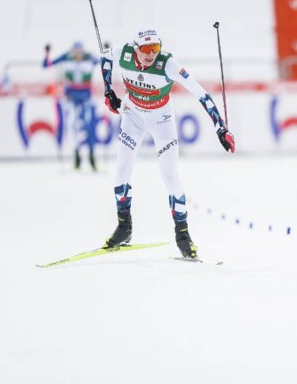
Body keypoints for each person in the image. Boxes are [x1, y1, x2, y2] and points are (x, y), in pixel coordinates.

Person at [100, 25, 235, 259]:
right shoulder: (124, 53)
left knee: (170, 175)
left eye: (155, 47)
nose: (151, 53)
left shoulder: (167, 64)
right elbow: (104, 57)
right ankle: (124, 228)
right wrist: (108, 91)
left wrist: (220, 128)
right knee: (122, 170)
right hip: (133, 116)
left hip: (161, 120)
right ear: (136, 48)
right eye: (146, 48)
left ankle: (183, 235)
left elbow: (201, 94)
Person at [43, 41, 99, 170]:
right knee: (72, 125)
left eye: (79, 52)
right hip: (71, 99)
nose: (77, 55)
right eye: (75, 52)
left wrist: (107, 50)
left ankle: (91, 156)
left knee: (89, 125)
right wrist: (47, 53)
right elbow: (47, 64)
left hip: (86, 99)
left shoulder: (89, 58)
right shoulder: (66, 57)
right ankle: (77, 156)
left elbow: (105, 63)